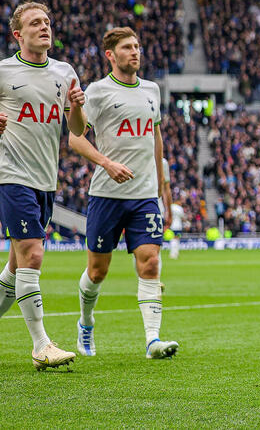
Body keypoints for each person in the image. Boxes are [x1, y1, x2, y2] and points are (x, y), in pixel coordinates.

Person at [69, 27, 179, 360]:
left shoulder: (152, 90)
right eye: (127, 47)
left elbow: (156, 139)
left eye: (137, 46)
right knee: (98, 271)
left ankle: (152, 340)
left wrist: (160, 189)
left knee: (150, 264)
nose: (135, 52)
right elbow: (75, 137)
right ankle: (86, 323)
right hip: (106, 194)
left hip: (144, 195)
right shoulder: (98, 92)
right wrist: (107, 163)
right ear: (110, 55)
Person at [0, 2, 85, 370]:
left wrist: (78, 107)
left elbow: (78, 131)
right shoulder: (3, 71)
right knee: (33, 254)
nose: (44, 27)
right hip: (11, 174)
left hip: (45, 181)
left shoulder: (65, 72)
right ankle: (41, 345)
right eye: (35, 23)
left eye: (47, 22)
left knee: (16, 267)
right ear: (18, 34)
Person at [163, 158, 183, 260]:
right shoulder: (178, 208)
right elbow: (183, 217)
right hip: (178, 226)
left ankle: (173, 253)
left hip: (171, 225)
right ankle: (174, 254)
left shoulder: (171, 206)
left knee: (173, 239)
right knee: (176, 239)